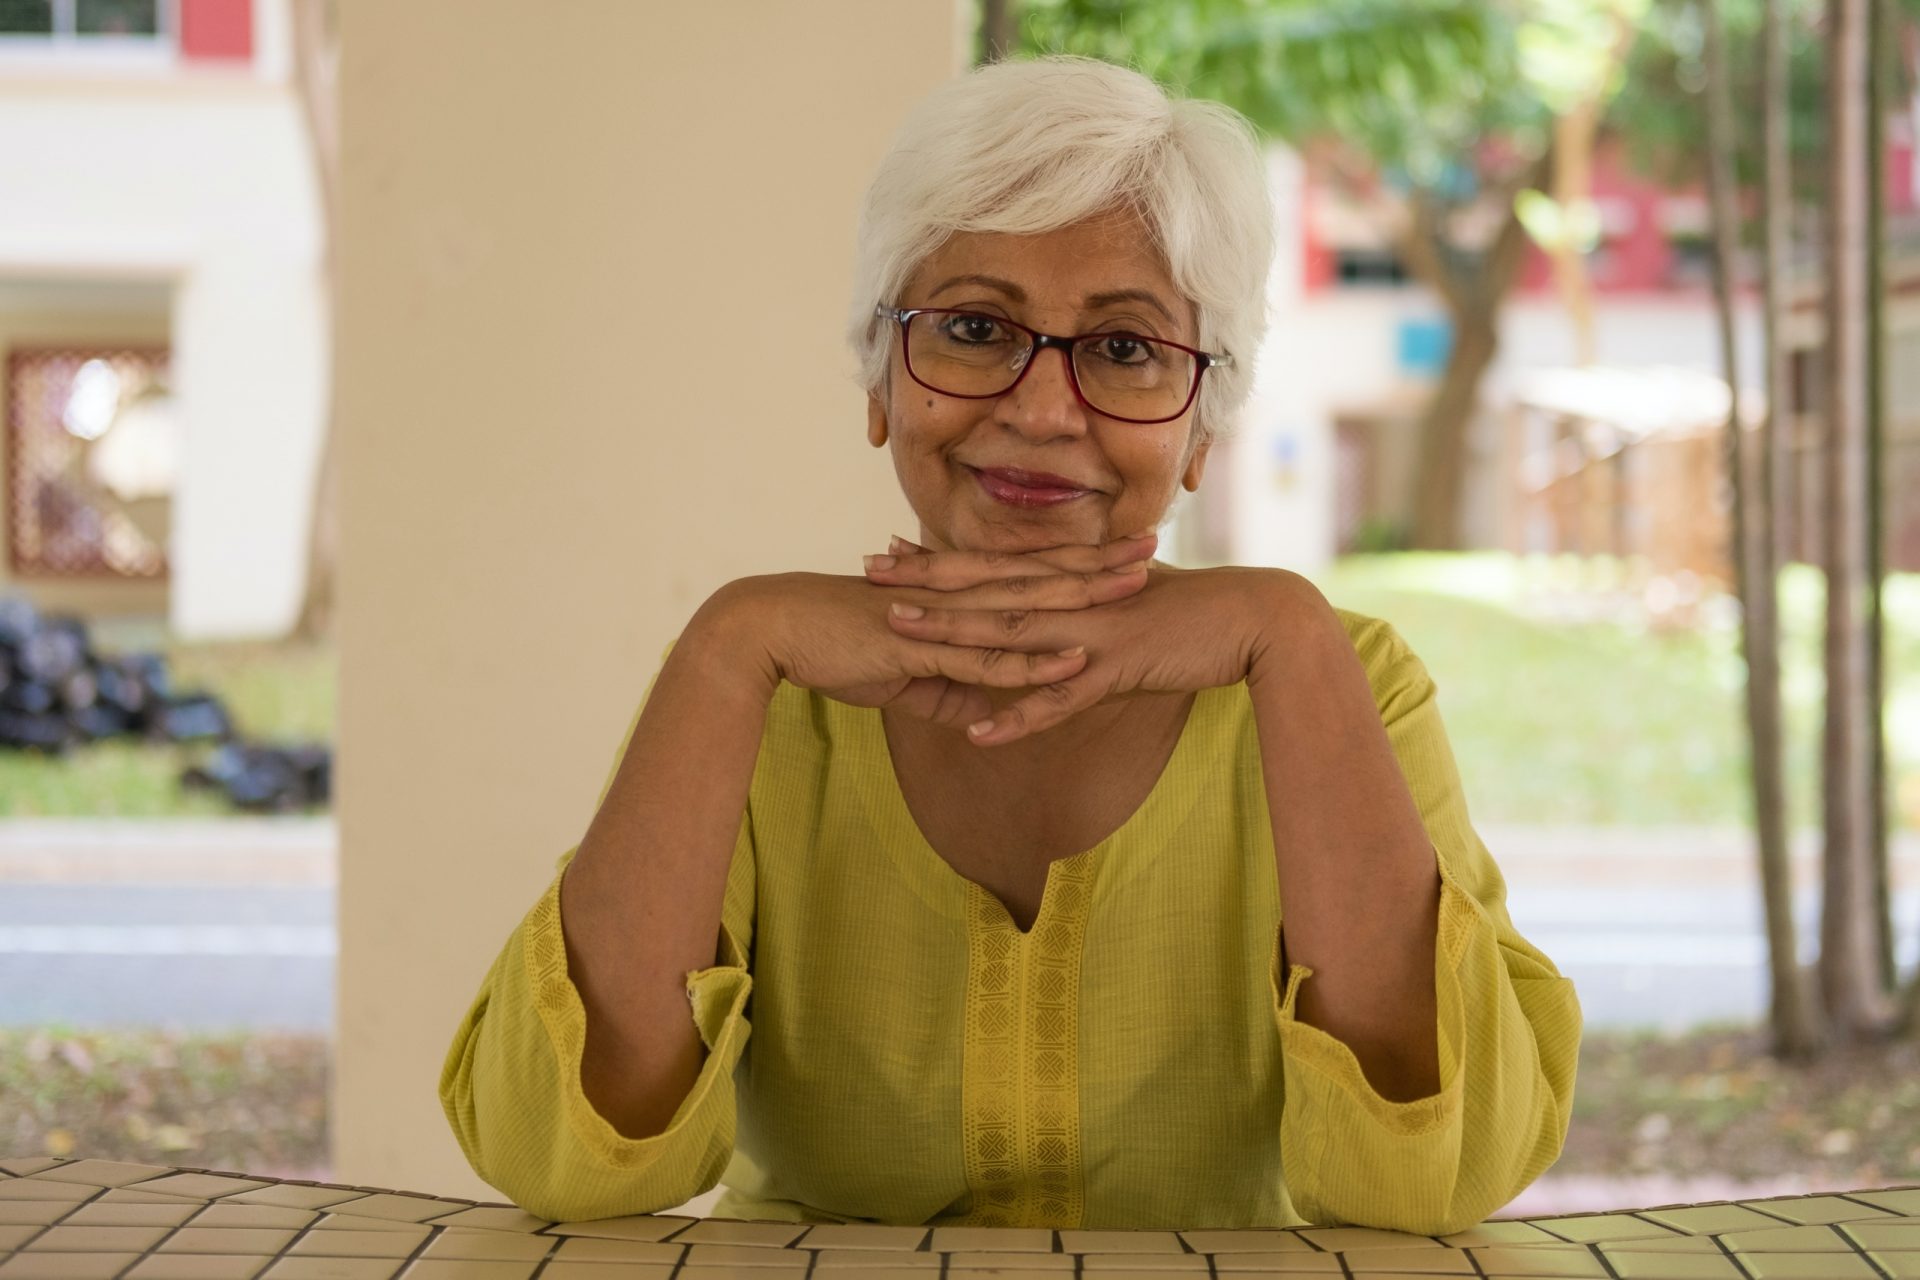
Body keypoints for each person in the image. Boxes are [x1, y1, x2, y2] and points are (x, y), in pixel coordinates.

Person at [439, 53, 1581, 1233]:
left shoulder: (1346, 678)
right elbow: (566, 1166)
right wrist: (729, 641)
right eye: (977, 326)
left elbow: (1434, 1181)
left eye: (1127, 348)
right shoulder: (765, 686)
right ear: (882, 378)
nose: (1042, 410)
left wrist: (1284, 631)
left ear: (1201, 430)